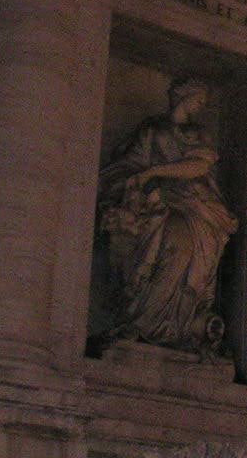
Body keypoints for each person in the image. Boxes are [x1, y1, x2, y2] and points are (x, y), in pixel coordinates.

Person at [98, 77, 238, 353]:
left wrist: (154, 172)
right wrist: (138, 184)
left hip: (195, 206)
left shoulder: (199, 134)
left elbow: (198, 166)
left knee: (183, 247)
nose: (201, 105)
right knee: (172, 244)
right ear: (183, 96)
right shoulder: (151, 130)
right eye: (198, 99)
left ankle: (171, 325)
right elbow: (128, 165)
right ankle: (142, 321)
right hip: (157, 204)